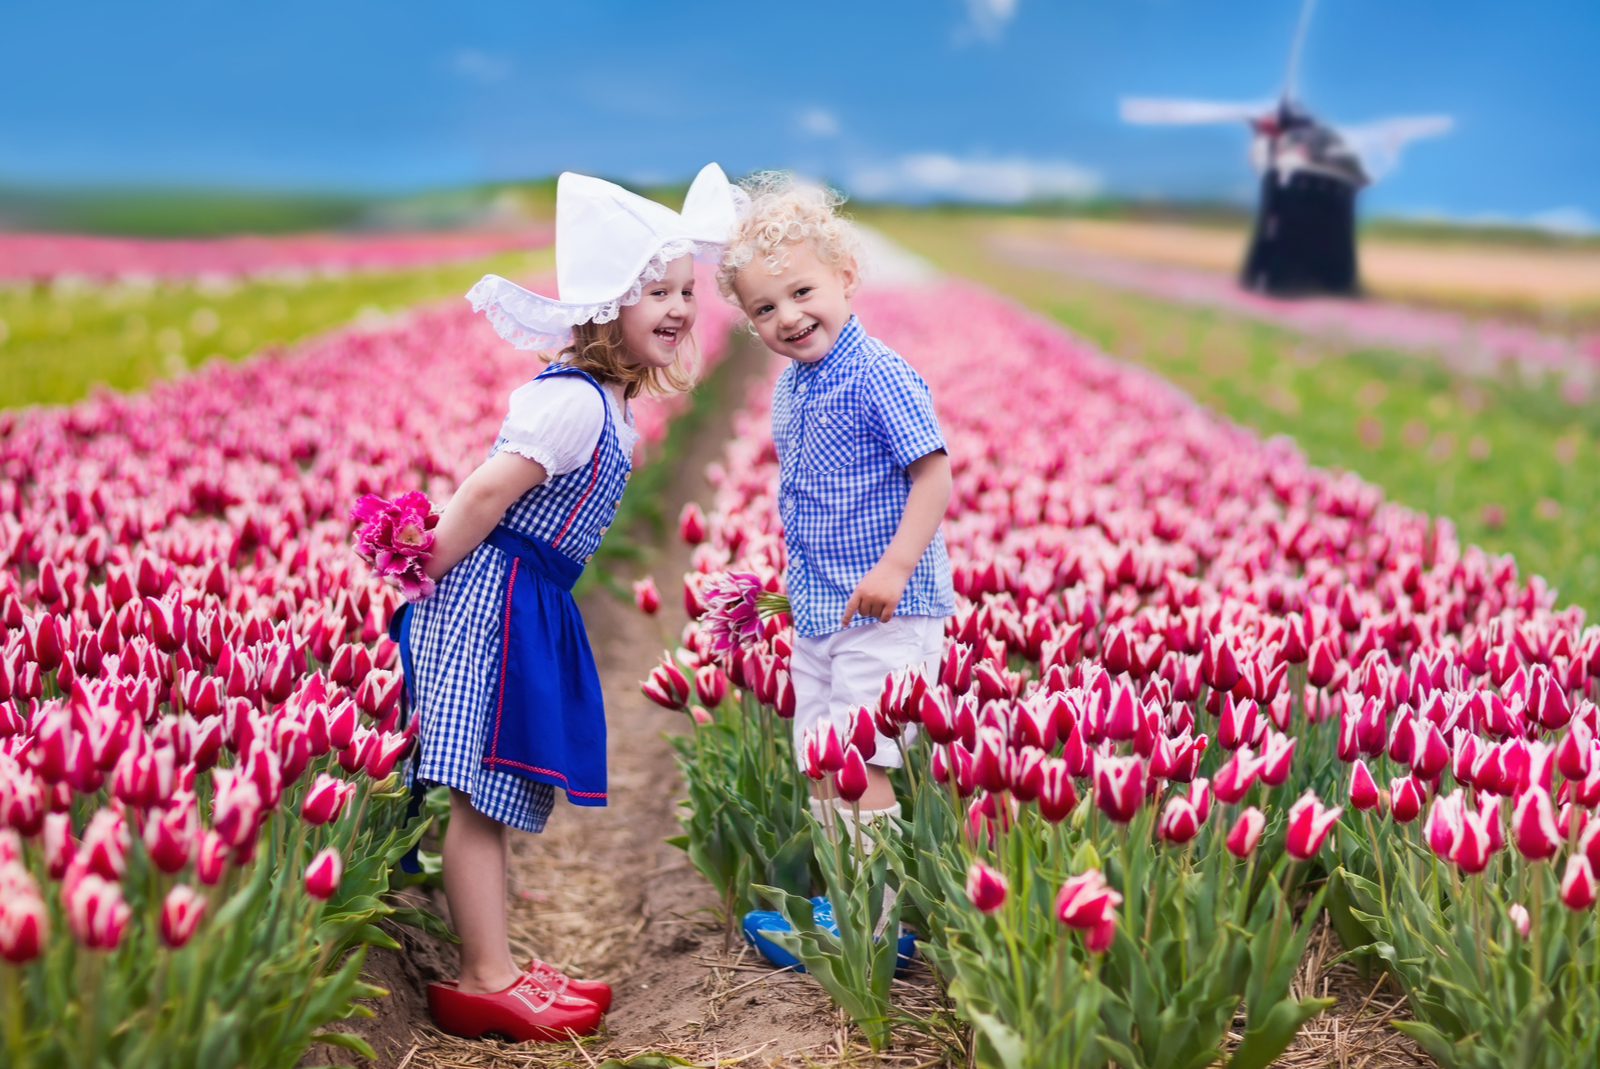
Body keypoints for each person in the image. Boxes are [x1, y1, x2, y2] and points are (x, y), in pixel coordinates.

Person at [394, 164, 740, 1042]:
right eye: (654, 290)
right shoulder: (569, 406)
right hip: (490, 596)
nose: (678, 306)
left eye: (685, 291)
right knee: (480, 790)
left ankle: (499, 962)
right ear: (602, 306)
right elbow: (482, 496)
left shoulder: (608, 401)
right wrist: (422, 567)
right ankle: (484, 975)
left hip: (527, 596)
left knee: (495, 789)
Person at [717, 174, 955, 836]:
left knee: (860, 757)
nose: (787, 317)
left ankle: (871, 935)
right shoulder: (793, 385)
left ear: (845, 276)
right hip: (822, 608)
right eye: (764, 309)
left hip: (887, 607)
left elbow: (933, 474)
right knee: (823, 761)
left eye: (801, 292)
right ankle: (843, 911)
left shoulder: (880, 373)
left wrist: (895, 567)